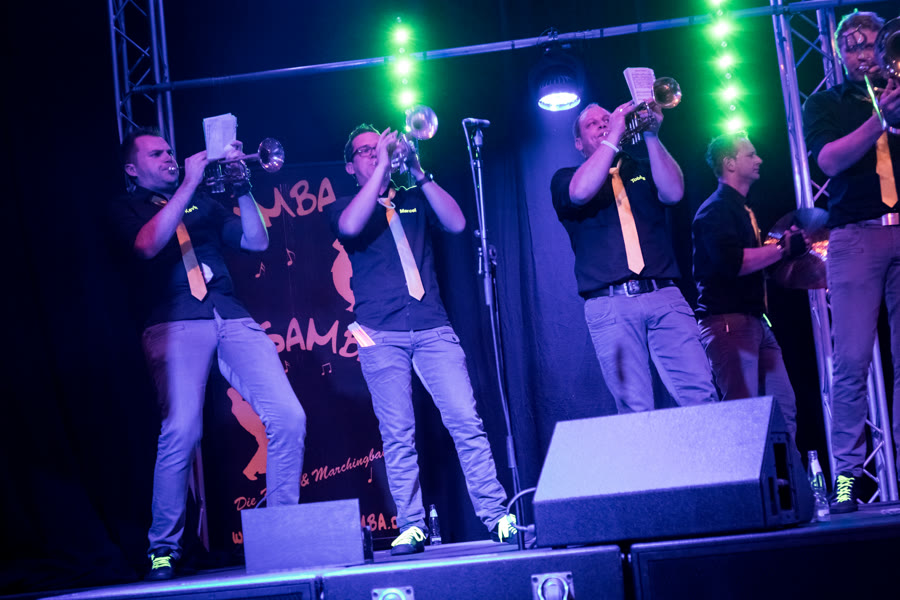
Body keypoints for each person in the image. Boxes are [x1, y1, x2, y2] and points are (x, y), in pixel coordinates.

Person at [109, 128, 307, 579]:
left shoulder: (205, 204)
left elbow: (256, 241)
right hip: (176, 319)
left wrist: (243, 187)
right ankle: (163, 547)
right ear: (132, 169)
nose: (169, 157)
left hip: (230, 314)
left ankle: (280, 533)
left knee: (289, 417)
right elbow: (147, 246)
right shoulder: (127, 207)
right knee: (182, 429)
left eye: (169, 150)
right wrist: (187, 185)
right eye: (156, 154)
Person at [328, 124, 518, 555]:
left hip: (433, 326)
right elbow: (350, 226)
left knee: (466, 421)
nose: (374, 154)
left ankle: (496, 516)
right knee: (398, 433)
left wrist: (417, 169)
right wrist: (382, 167)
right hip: (379, 332)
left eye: (378, 148)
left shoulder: (412, 197)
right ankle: (412, 524)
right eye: (364, 151)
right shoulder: (344, 205)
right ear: (350, 166)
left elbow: (457, 222)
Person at [550, 100, 718, 413]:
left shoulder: (640, 167)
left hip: (664, 295)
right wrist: (614, 133)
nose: (603, 124)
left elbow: (673, 193)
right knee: (636, 410)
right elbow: (580, 193)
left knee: (701, 395)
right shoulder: (566, 177)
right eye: (592, 124)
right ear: (578, 143)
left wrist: (652, 134)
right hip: (611, 303)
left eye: (606, 119)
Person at [803, 10, 900, 513]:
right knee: (851, 362)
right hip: (855, 237)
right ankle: (846, 479)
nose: (863, 54)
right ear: (840, 54)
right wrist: (880, 117)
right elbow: (829, 161)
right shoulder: (826, 102)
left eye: (871, 44)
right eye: (853, 46)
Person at [692, 132, 807, 442]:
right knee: (743, 418)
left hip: (755, 322)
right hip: (729, 324)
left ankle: (786, 474)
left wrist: (783, 250)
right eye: (751, 155)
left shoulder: (742, 209)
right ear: (730, 163)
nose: (760, 160)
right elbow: (734, 263)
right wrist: (782, 249)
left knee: (784, 411)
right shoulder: (715, 211)